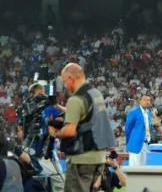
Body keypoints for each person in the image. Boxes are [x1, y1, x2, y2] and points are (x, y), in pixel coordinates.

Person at [47, 63, 116, 192]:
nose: (65, 86)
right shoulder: (95, 93)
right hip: (99, 157)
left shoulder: (75, 99)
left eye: (64, 81)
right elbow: (87, 115)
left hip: (82, 159)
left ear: (70, 78)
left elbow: (69, 131)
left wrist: (54, 132)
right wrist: (59, 107)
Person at [124, 93, 155, 166]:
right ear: (140, 101)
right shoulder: (133, 112)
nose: (147, 102)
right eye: (144, 100)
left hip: (146, 144)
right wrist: (130, 141)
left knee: (143, 168)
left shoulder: (149, 114)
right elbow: (128, 129)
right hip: (135, 143)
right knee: (133, 168)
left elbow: (149, 128)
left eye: (148, 100)